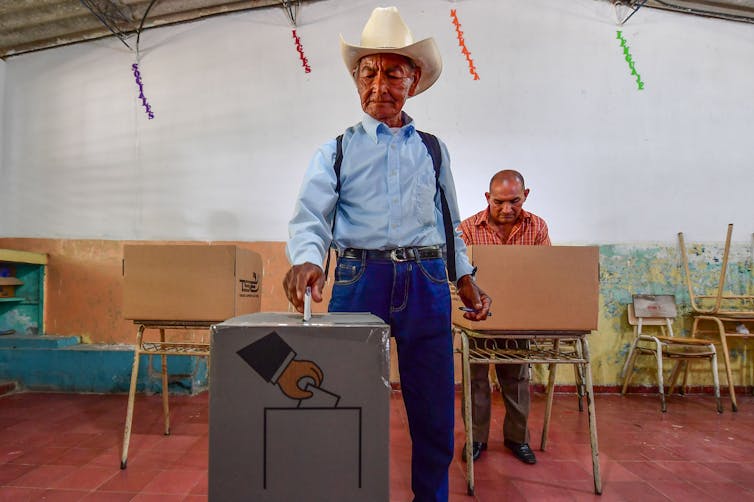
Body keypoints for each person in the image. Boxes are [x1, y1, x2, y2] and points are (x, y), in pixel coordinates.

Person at [283, 6, 490, 501]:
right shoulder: (335, 151)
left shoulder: (434, 151)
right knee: (347, 400)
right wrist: (307, 257)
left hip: (426, 283)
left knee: (434, 407)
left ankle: (431, 496)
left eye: (392, 74)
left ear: (413, 81)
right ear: (356, 82)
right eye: (367, 74)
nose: (379, 85)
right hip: (360, 281)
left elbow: (449, 224)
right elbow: (312, 215)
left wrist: (465, 278)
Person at [458, 169, 550, 465]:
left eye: (515, 202)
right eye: (499, 202)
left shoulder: (537, 227)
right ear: (488, 197)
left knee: (517, 379)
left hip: (518, 316)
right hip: (477, 318)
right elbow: (458, 275)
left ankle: (517, 438)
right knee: (475, 380)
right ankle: (476, 438)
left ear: (526, 196)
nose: (507, 209)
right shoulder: (469, 228)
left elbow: (546, 271)